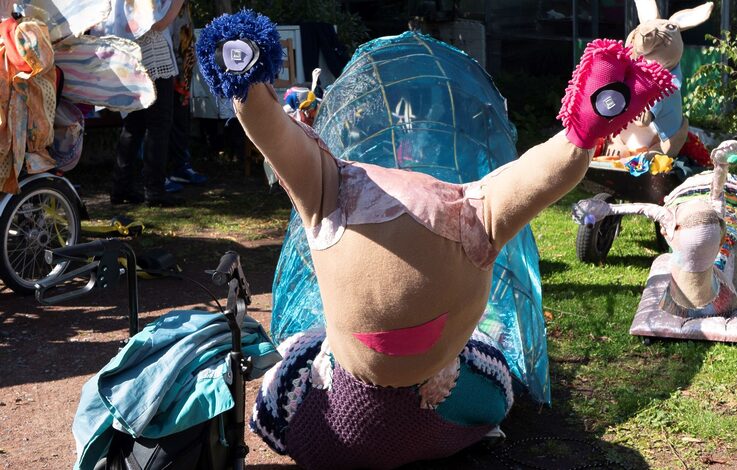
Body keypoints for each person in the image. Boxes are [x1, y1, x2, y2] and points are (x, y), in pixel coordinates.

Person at [197, 11, 677, 469]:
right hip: (440, 404)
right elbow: (498, 399)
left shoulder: (297, 403)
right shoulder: (480, 393)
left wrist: (246, 85)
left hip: (352, 420)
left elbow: (269, 420)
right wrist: (582, 132)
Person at [109, 0, 186, 206]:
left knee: (134, 123)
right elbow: (155, 23)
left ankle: (121, 187)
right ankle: (154, 191)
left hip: (131, 52)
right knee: (158, 124)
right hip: (151, 51)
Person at [165, 0, 206, 193]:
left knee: (181, 118)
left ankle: (180, 166)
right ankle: (164, 171)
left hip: (182, 67)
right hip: (169, 65)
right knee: (165, 121)